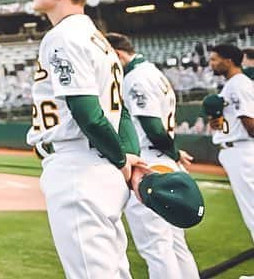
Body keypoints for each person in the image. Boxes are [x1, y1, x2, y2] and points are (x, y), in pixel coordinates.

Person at [26, 0, 143, 279]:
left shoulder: (64, 36)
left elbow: (88, 114)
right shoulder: (99, 39)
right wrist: (128, 155)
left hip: (79, 166)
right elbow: (124, 112)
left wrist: (120, 158)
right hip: (97, 165)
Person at [106, 32, 200, 279]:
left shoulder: (136, 77)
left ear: (117, 54)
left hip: (149, 161)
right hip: (163, 159)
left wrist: (174, 152)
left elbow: (153, 127)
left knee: (155, 247)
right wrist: (174, 153)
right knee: (176, 245)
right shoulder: (153, 72)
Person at [208, 43, 254, 243]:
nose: (211, 63)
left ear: (228, 61)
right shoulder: (233, 84)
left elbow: (250, 123)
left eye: (215, 59)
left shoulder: (238, 84)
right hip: (238, 150)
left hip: (242, 152)